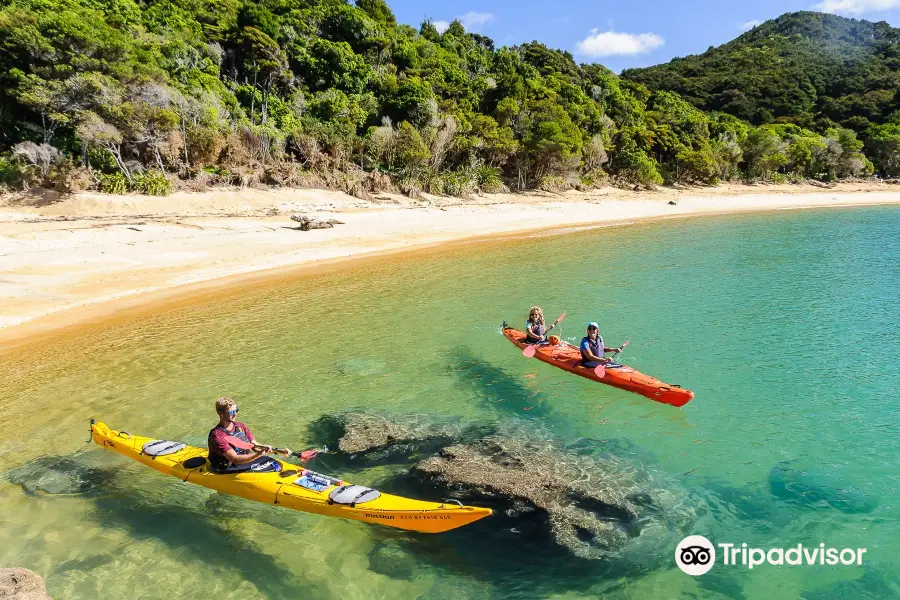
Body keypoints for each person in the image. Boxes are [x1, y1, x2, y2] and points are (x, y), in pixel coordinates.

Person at [208, 397, 290, 472]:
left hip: (244, 461)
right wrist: (259, 454)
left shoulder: (241, 426)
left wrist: (278, 451)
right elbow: (234, 459)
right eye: (232, 412)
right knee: (270, 467)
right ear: (220, 413)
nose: (235, 414)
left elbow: (255, 446)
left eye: (236, 410)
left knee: (272, 462)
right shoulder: (217, 435)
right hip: (227, 467)